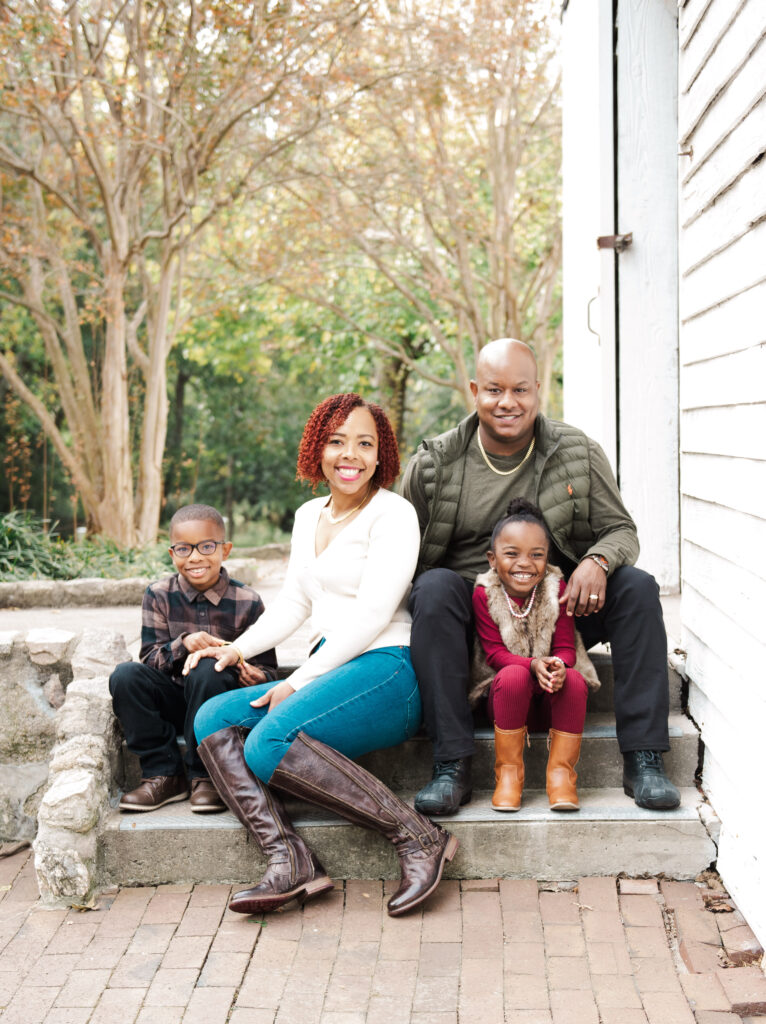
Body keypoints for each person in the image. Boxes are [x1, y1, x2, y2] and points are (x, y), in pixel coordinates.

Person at [187, 393, 458, 918]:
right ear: (318, 448)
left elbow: (374, 613)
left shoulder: (394, 514)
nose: (349, 455)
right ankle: (290, 860)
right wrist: (235, 648)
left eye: (364, 443)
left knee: (267, 744)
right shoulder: (309, 513)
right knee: (211, 717)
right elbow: (294, 602)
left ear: (382, 456)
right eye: (336, 442)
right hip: (331, 671)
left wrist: (299, 680)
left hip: (387, 670)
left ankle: (417, 836)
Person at [402, 338, 681, 815]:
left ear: (537, 392)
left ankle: (644, 759)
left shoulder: (577, 452)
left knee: (637, 586)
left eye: (520, 390)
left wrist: (598, 561)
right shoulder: (435, 463)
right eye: (493, 389)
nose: (507, 402)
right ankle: (452, 765)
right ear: (474, 391)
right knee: (432, 586)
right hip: (474, 621)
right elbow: (400, 552)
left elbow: (620, 530)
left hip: (558, 614)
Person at [109, 503, 278, 813]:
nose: (195, 557)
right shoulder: (158, 594)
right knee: (125, 675)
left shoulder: (248, 601)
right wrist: (183, 644)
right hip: (175, 700)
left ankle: (207, 776)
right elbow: (148, 660)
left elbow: (269, 672)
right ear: (173, 554)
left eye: (207, 546)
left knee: (207, 667)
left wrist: (255, 674)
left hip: (220, 705)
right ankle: (164, 774)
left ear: (225, 550)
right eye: (184, 549)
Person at [471, 498, 600, 811]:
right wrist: (532, 665)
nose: (524, 563)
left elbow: (567, 647)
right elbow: (494, 654)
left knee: (573, 679)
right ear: (492, 558)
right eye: (511, 554)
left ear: (547, 559)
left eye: (536, 555)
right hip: (507, 702)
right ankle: (509, 777)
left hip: (550, 704)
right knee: (514, 674)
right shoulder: (484, 592)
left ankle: (561, 776)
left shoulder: (557, 588)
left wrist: (557, 667)